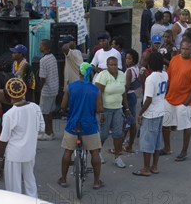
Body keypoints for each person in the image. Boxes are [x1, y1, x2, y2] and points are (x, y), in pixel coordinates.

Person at [58, 62, 103, 190]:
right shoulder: (95, 90)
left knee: (68, 152)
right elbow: (99, 109)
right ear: (91, 73)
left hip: (73, 124)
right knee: (95, 152)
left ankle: (63, 179)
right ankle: (96, 181)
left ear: (80, 73)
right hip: (90, 126)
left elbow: (62, 106)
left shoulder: (70, 87)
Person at [0, 78, 44, 197]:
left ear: (9, 94)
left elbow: (4, 139)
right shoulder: (35, 107)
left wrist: (0, 158)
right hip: (29, 152)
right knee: (30, 182)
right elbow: (41, 128)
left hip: (14, 155)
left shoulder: (9, 115)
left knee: (14, 188)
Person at [161, 39, 191, 161]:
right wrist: (165, 95)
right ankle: (167, 148)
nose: (184, 51)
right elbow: (169, 78)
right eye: (182, 48)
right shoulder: (174, 60)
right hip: (170, 98)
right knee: (165, 125)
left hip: (184, 101)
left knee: (185, 127)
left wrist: (186, 103)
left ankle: (184, 152)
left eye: (187, 49)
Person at [134, 52, 168, 176]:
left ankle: (146, 168)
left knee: (147, 141)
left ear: (150, 63)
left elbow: (148, 99)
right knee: (157, 141)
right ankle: (154, 166)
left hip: (150, 113)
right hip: (160, 111)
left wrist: (140, 113)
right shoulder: (164, 74)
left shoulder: (151, 78)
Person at [95, 57, 130, 168]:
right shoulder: (103, 75)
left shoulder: (121, 75)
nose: (114, 67)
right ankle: (98, 153)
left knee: (118, 134)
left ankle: (117, 157)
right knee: (104, 134)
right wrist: (101, 112)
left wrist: (127, 108)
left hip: (118, 108)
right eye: (111, 65)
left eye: (115, 64)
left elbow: (123, 93)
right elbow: (98, 94)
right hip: (106, 109)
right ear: (107, 65)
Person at [38, 39, 59, 140]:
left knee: (45, 112)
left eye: (41, 45)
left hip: (47, 90)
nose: (39, 47)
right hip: (54, 88)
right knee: (49, 112)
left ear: (45, 47)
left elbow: (43, 77)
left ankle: (48, 133)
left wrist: (39, 89)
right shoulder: (53, 57)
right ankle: (51, 132)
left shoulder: (43, 60)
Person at [123, 49, 140, 153]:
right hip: (133, 95)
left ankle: (121, 145)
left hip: (128, 96)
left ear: (133, 60)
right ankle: (130, 145)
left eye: (129, 58)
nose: (127, 60)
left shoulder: (129, 71)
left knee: (127, 121)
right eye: (126, 58)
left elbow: (127, 86)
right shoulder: (136, 68)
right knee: (131, 121)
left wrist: (122, 97)